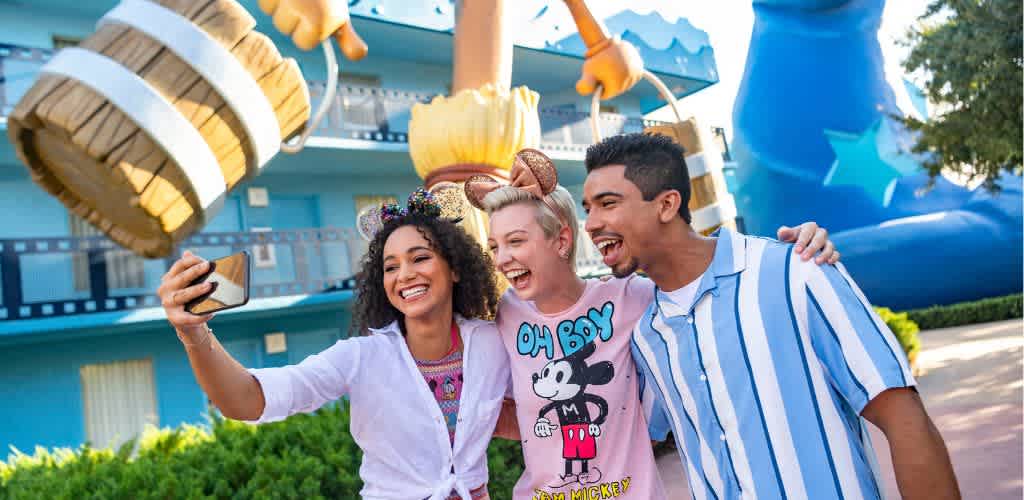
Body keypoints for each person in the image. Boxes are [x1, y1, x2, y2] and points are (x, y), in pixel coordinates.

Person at [581, 133, 960, 500]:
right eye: (587, 208)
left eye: (607, 203)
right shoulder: (646, 334)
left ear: (666, 205)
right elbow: (612, 444)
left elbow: (903, 417)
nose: (591, 223)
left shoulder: (796, 271)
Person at [469, 149, 840, 498]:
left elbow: (707, 278)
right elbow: (499, 413)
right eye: (494, 247)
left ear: (562, 240)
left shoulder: (631, 297)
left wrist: (801, 245)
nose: (502, 259)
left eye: (515, 241)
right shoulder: (504, 316)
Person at [158, 189, 509, 500]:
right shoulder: (360, 357)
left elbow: (543, 406)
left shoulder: (493, 342)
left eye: (419, 258)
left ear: (456, 269)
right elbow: (246, 401)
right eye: (390, 267)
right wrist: (194, 334)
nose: (404, 275)